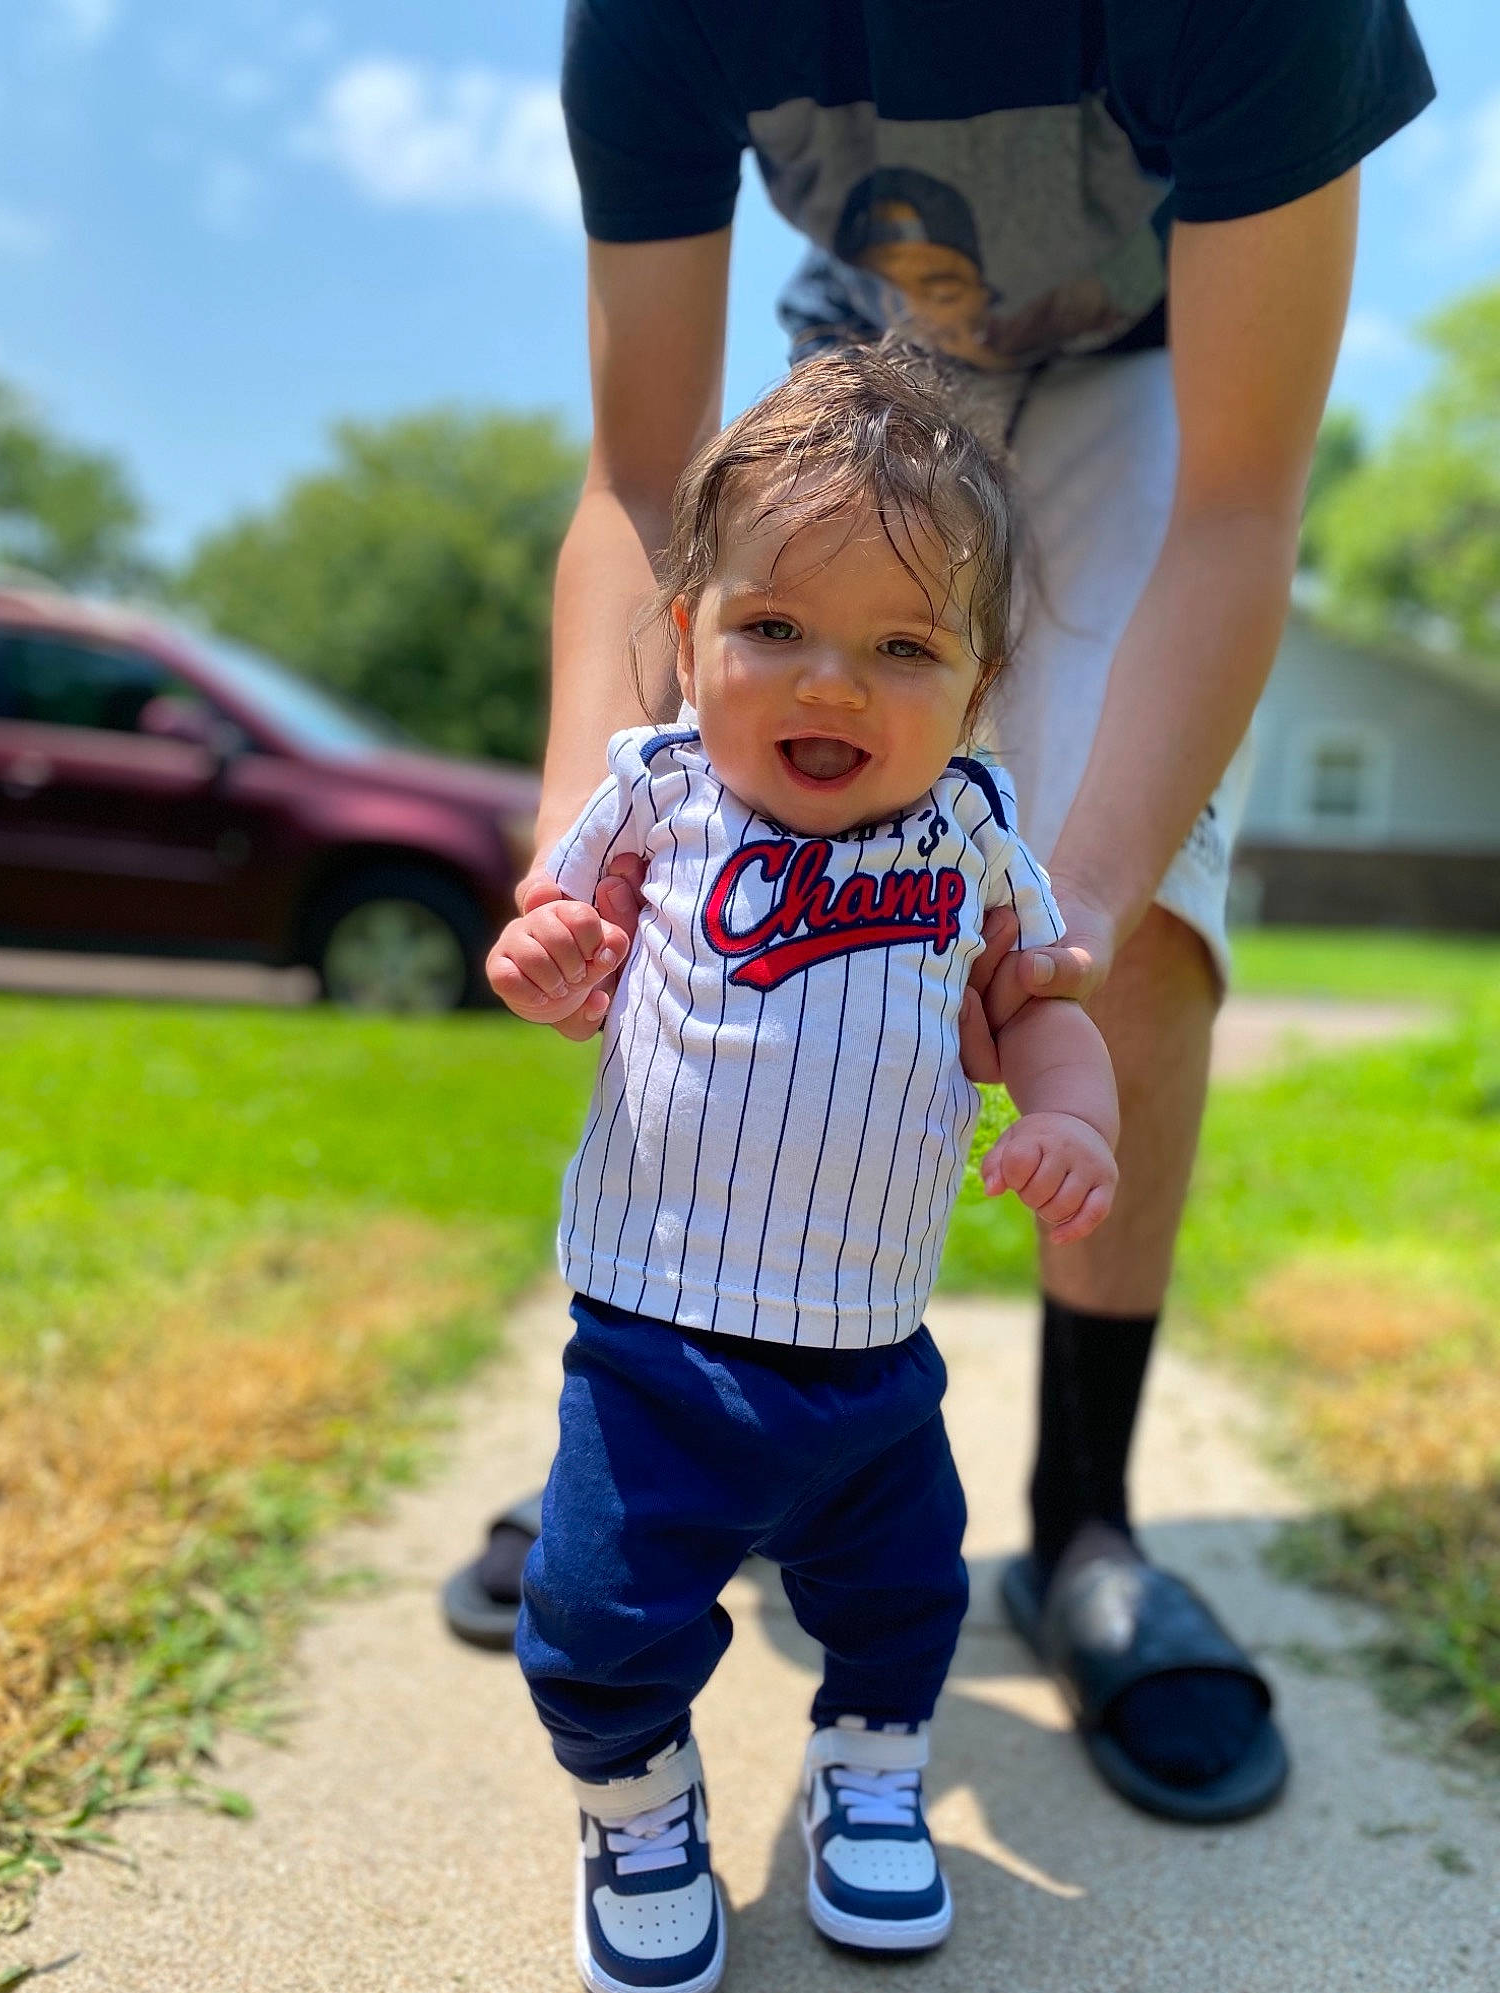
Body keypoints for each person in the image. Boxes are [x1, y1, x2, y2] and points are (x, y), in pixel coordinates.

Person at [443, 0, 1435, 1827]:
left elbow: (1235, 502)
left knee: (1114, 937)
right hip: (881, 365)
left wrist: (1083, 910)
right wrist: (586, 826)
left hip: (1153, 377)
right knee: (711, 823)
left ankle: (1082, 1528)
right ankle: (663, 1438)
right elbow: (637, 483)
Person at [487, 348, 1119, 1993]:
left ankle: (870, 1766)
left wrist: (1075, 1121)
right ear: (689, 633)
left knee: (905, 1590)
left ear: (976, 692)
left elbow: (1041, 1024)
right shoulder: (660, 798)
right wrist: (550, 965)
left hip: (865, 1345)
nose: (832, 685)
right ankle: (636, 1808)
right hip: (656, 1338)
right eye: (777, 628)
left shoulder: (971, 841)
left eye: (904, 647)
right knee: (598, 1610)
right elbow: (558, 952)